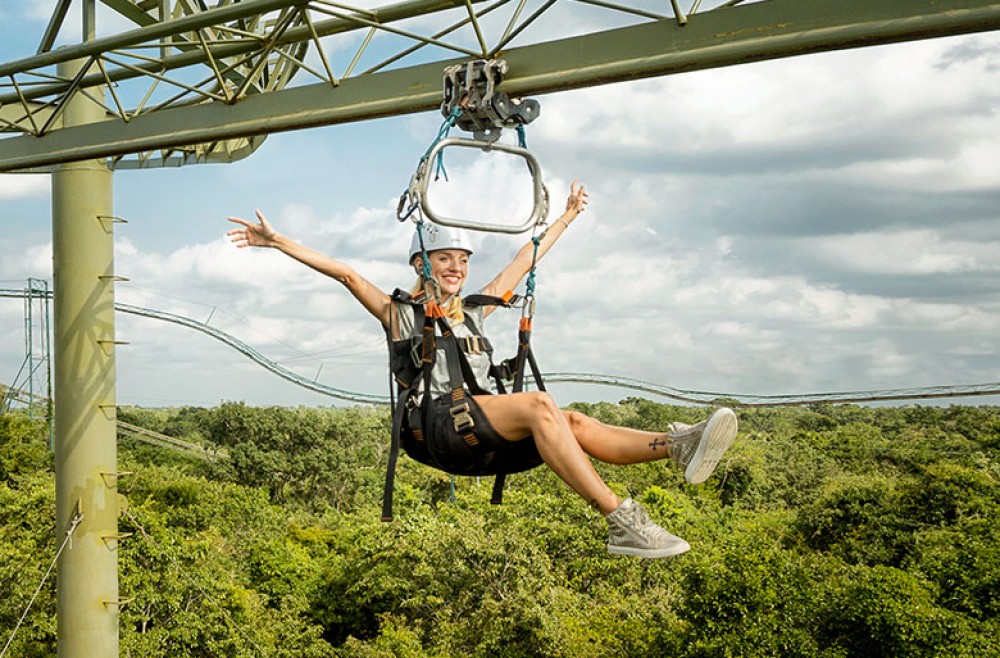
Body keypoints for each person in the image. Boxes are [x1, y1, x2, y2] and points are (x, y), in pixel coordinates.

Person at [227, 180, 738, 558]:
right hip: (437, 429)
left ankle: (676, 446)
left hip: (478, 424)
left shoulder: (473, 310)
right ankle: (622, 521)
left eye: (463, 261)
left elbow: (523, 262)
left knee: (573, 421)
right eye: (445, 259)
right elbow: (345, 273)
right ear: (422, 264)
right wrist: (278, 242)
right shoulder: (400, 314)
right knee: (542, 406)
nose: (456, 268)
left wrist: (567, 217)